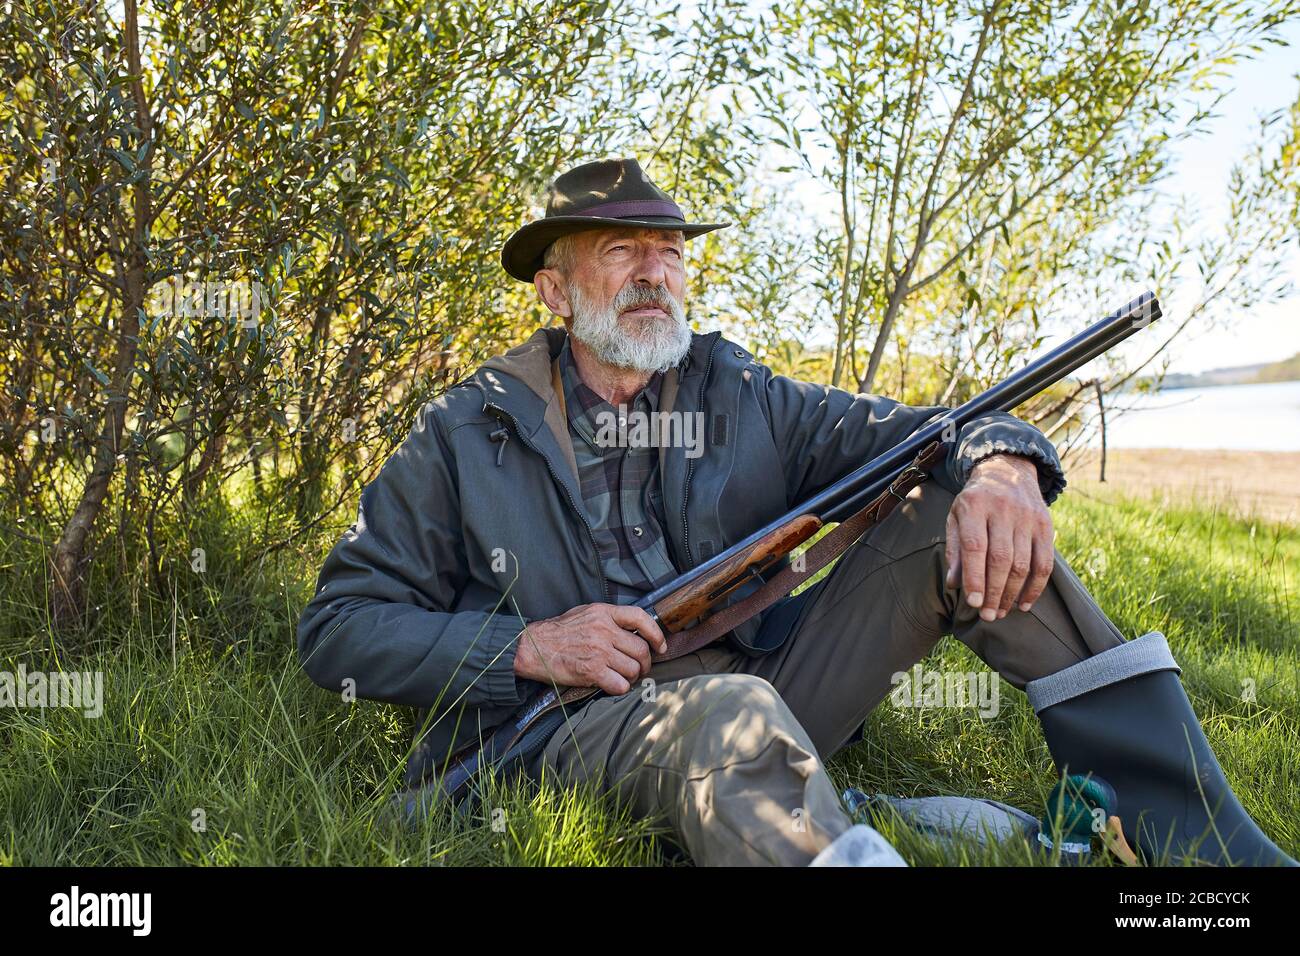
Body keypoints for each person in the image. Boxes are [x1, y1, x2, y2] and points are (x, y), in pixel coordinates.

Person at [297, 157, 1293, 867]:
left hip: (772, 688)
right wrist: (530, 645)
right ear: (557, 288)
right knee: (732, 716)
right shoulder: (465, 431)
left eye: (669, 250)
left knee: (955, 506)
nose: (655, 270)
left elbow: (928, 431)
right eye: (619, 250)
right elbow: (338, 628)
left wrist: (1001, 467)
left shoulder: (739, 390)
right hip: (568, 729)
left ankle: (1200, 838)